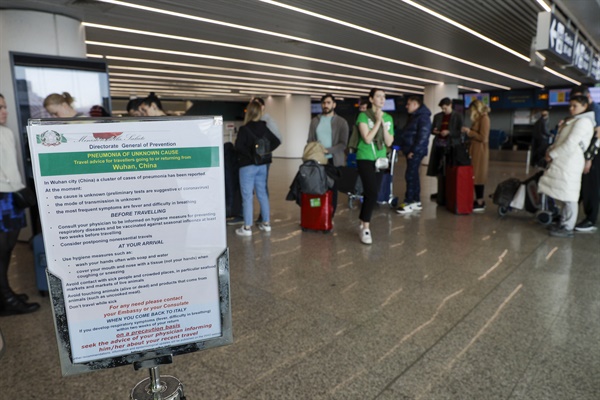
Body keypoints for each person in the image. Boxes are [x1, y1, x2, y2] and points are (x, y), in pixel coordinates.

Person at [0, 94, 40, 315]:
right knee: (1, 250)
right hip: (1, 196)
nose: (4, 111)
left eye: (5, 106)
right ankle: (6, 298)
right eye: (0, 107)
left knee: (7, 249)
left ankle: (5, 293)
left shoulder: (6, 132)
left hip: (12, 195)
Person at [538, 95, 595, 238]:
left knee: (570, 196)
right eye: (570, 105)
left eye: (575, 106)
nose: (571, 108)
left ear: (584, 106)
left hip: (571, 162)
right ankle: (563, 222)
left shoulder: (584, 122)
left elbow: (571, 143)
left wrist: (553, 154)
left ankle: (568, 227)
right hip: (565, 161)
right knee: (565, 194)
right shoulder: (575, 120)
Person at [234, 101, 280, 236]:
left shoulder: (244, 129)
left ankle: (247, 227)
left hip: (247, 166)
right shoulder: (264, 128)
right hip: (262, 165)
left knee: (247, 196)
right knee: (262, 194)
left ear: (248, 112)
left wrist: (250, 155)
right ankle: (266, 224)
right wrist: (263, 152)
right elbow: (276, 141)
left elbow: (238, 147)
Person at [355, 88, 394, 244]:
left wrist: (383, 123)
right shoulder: (363, 116)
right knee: (371, 192)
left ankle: (362, 221)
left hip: (380, 159)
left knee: (373, 193)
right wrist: (377, 121)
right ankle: (365, 228)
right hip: (365, 158)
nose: (382, 99)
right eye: (378, 96)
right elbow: (367, 139)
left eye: (384, 97)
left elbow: (389, 142)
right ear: (371, 99)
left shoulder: (389, 117)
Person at [307, 94, 349, 217]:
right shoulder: (315, 121)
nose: (326, 105)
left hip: (333, 162)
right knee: (316, 189)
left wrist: (328, 150)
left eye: (328, 103)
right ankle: (317, 214)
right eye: (324, 103)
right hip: (318, 161)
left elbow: (343, 144)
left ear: (334, 105)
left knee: (332, 190)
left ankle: (329, 215)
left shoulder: (342, 122)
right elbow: (310, 140)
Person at [569, 86, 600, 233]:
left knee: (590, 187)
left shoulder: (595, 111)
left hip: (594, 155)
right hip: (584, 155)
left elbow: (598, 136)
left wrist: (589, 158)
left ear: (587, 98)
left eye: (579, 99)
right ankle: (570, 215)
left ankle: (590, 219)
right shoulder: (584, 112)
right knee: (581, 186)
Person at [395, 96, 431, 214]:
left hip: (415, 151)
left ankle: (409, 201)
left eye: (408, 104)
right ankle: (416, 200)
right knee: (413, 175)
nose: (406, 106)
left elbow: (423, 137)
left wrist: (414, 151)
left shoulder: (423, 118)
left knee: (410, 175)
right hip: (411, 150)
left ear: (415, 105)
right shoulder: (415, 117)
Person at [251, 97, 282, 224]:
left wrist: (265, 151)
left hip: (262, 159)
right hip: (251, 159)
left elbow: (278, 139)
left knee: (261, 186)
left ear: (263, 107)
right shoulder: (252, 120)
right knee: (252, 186)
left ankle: (264, 215)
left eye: (258, 105)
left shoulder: (268, 120)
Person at [427, 97, 464, 201]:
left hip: (451, 146)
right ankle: (440, 191)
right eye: (442, 109)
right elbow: (432, 130)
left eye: (445, 108)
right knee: (439, 170)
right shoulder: (437, 116)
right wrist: (434, 131)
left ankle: (448, 191)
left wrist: (449, 132)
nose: (443, 110)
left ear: (450, 105)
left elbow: (460, 131)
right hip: (439, 145)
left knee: (449, 170)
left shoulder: (458, 116)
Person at [462, 100, 490, 212]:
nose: (470, 113)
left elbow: (484, 138)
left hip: (480, 151)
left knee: (478, 176)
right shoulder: (479, 119)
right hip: (475, 150)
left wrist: (469, 132)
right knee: (475, 175)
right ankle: (478, 199)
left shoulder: (484, 119)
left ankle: (480, 201)